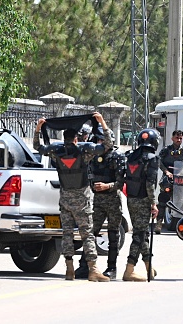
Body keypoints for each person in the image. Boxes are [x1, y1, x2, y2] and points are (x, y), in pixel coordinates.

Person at [34, 114, 110, 282]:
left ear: (64, 139)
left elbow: (37, 147)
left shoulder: (56, 152)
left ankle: (69, 268)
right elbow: (107, 145)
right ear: (76, 139)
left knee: (67, 234)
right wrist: (102, 123)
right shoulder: (84, 152)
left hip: (65, 200)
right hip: (82, 200)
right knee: (87, 234)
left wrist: (39, 127)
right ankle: (93, 270)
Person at [74, 129, 126, 280]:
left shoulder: (117, 157)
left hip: (112, 200)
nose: (99, 144)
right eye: (98, 141)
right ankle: (85, 266)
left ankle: (111, 268)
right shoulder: (93, 156)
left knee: (113, 234)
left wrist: (107, 186)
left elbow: (120, 182)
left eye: (102, 141)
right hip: (97, 200)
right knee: (90, 233)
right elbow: (88, 175)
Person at [123, 128, 160, 282]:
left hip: (131, 199)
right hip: (144, 199)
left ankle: (148, 267)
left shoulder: (131, 157)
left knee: (142, 232)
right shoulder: (152, 158)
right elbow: (150, 184)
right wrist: (154, 203)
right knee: (139, 235)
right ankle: (129, 269)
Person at [156, 130, 183, 233]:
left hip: (180, 178)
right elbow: (159, 161)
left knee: (181, 201)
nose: (178, 140)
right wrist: (166, 171)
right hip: (168, 177)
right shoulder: (166, 150)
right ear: (172, 138)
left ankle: (180, 222)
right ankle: (159, 223)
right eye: (177, 138)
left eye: (180, 138)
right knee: (163, 199)